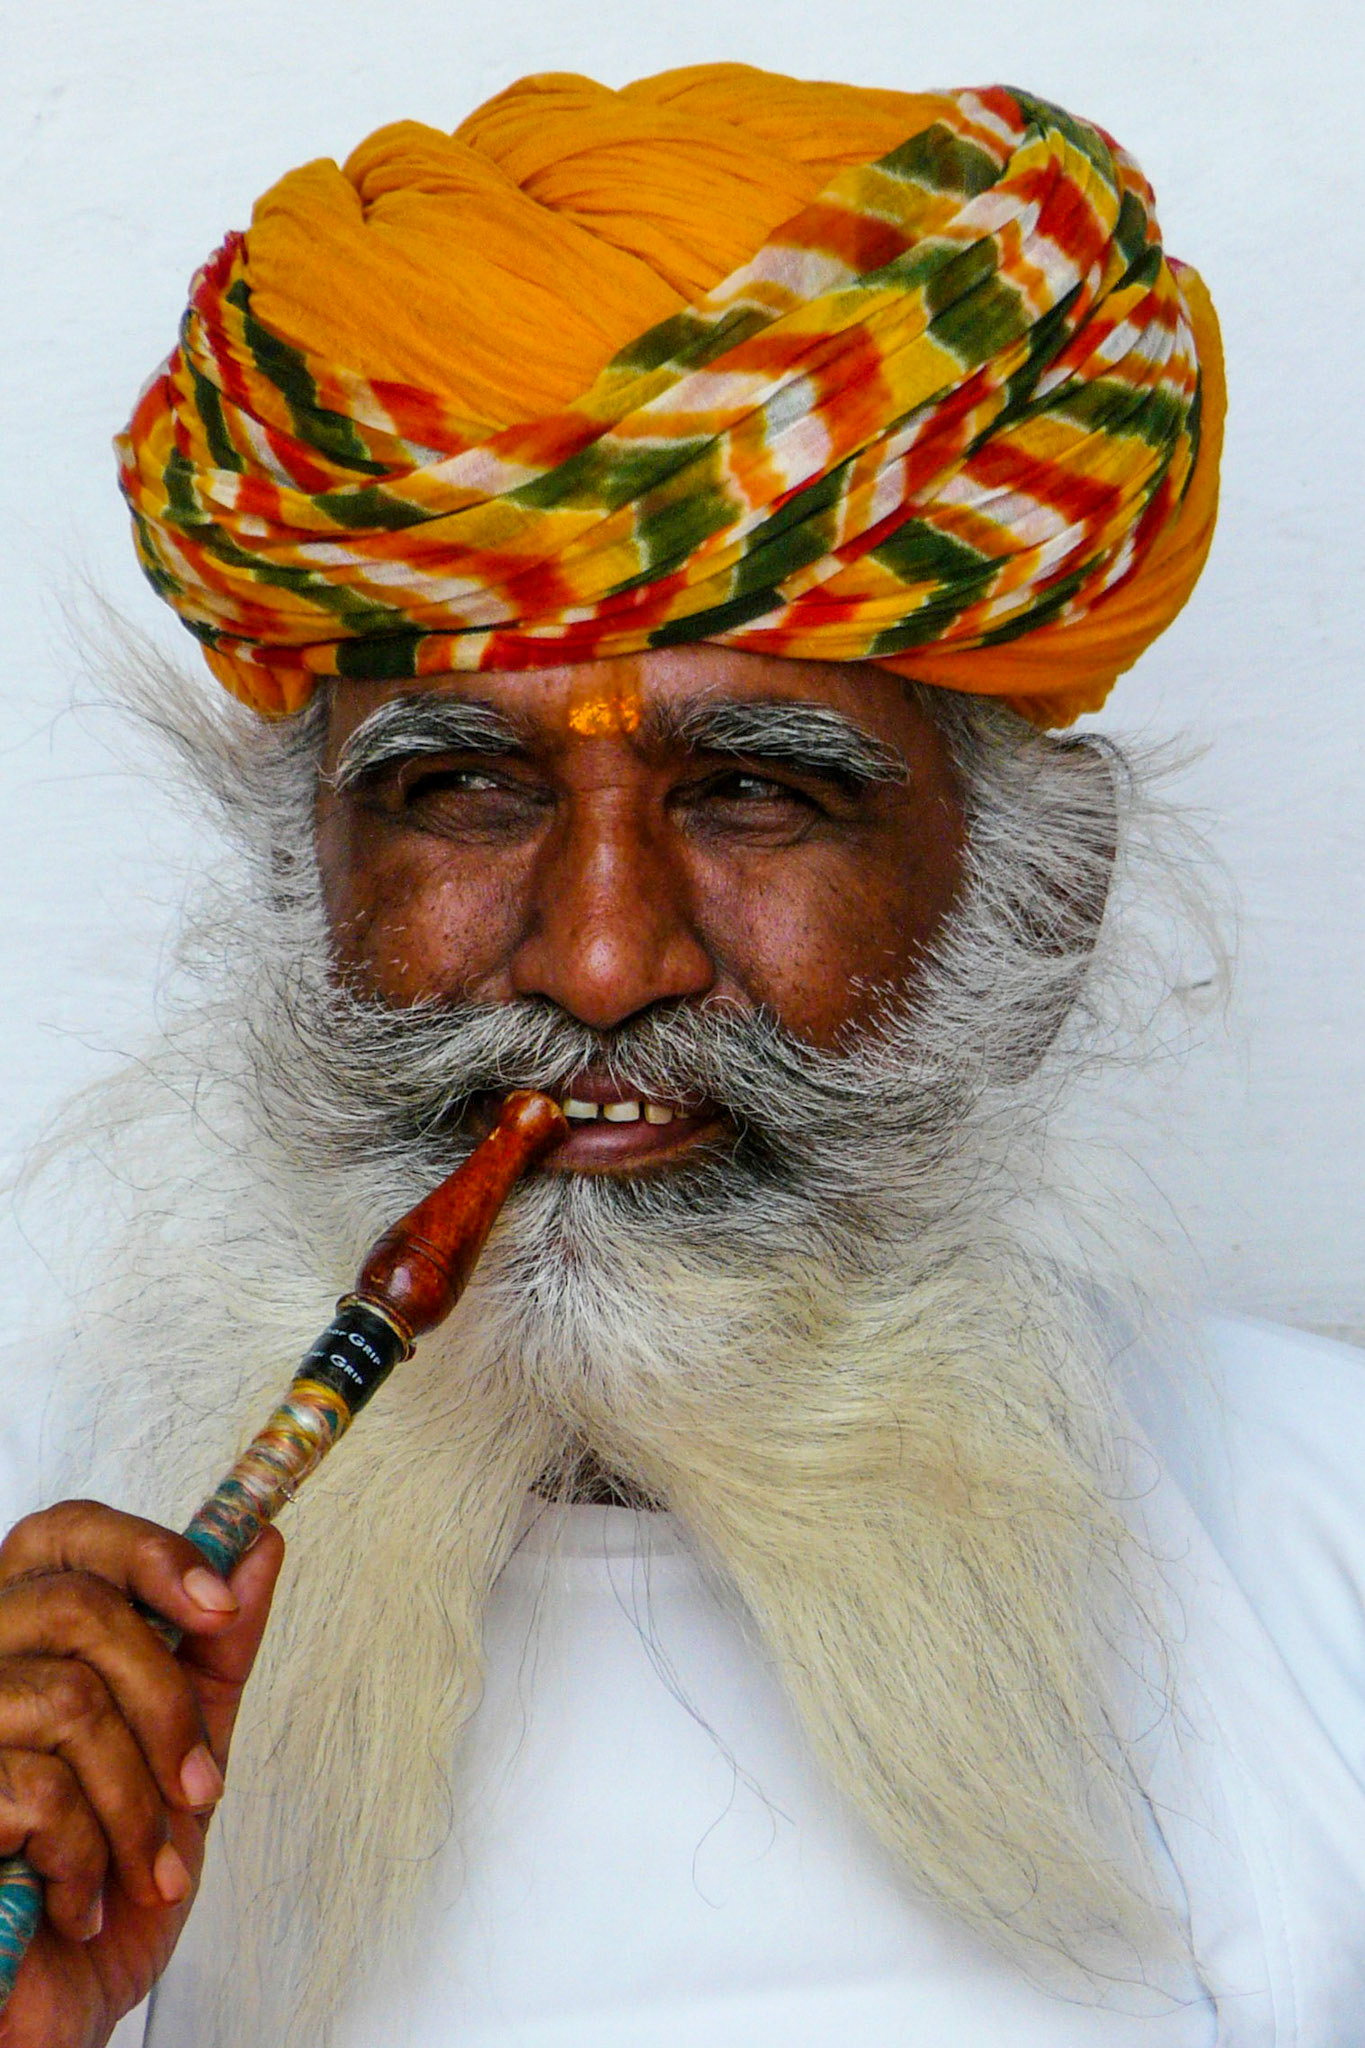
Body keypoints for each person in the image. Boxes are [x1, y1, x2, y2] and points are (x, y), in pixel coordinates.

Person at [1, 63, 1363, 2048]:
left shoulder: (1322, 1564)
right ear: (302, 883)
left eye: (753, 794)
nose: (602, 953)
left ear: (1035, 908)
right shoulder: (39, 1609)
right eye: (459, 791)